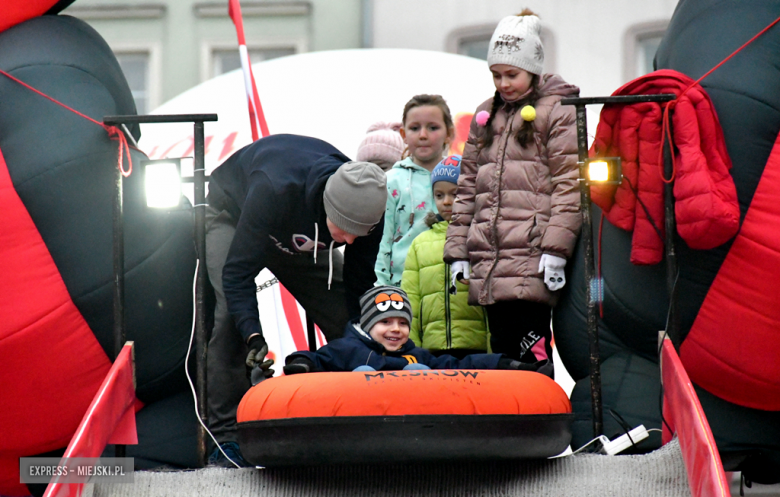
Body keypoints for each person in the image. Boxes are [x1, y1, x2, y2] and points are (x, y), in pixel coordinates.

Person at [204, 134, 387, 466]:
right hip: (234, 211)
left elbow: (359, 284)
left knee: (348, 318)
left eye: (357, 235)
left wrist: (366, 331)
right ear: (328, 206)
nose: (348, 241)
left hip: (299, 232)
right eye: (343, 230)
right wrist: (253, 334)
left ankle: (361, 415)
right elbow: (237, 274)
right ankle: (225, 437)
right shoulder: (272, 190)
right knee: (230, 315)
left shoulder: (369, 209)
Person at [443, 11, 581, 366]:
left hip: (531, 253)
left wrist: (556, 249)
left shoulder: (557, 111)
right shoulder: (485, 115)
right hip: (490, 256)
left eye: (512, 74)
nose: (503, 83)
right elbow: (468, 187)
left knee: (531, 351)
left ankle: (540, 418)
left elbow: (569, 183)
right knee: (502, 353)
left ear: (533, 69)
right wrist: (458, 250)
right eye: (496, 75)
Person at [283, 286, 551, 374]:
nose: (396, 329)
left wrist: (510, 365)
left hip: (410, 422)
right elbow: (317, 358)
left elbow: (457, 364)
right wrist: (301, 362)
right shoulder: (347, 349)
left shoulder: (416, 355)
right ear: (366, 326)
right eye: (385, 322)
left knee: (418, 372)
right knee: (363, 373)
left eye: (402, 323)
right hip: (361, 423)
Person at [401, 155, 489, 359]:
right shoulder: (420, 243)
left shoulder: (481, 238)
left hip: (477, 351)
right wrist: (412, 351)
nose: (447, 202)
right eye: (439, 195)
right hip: (432, 352)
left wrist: (493, 351)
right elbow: (410, 301)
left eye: (455, 194)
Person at [374, 94, 456, 287]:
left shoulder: (464, 177)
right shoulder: (390, 181)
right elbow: (382, 243)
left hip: (452, 289)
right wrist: (382, 290)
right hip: (403, 289)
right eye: (414, 128)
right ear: (403, 134)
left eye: (433, 127)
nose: (423, 135)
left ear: (449, 133)